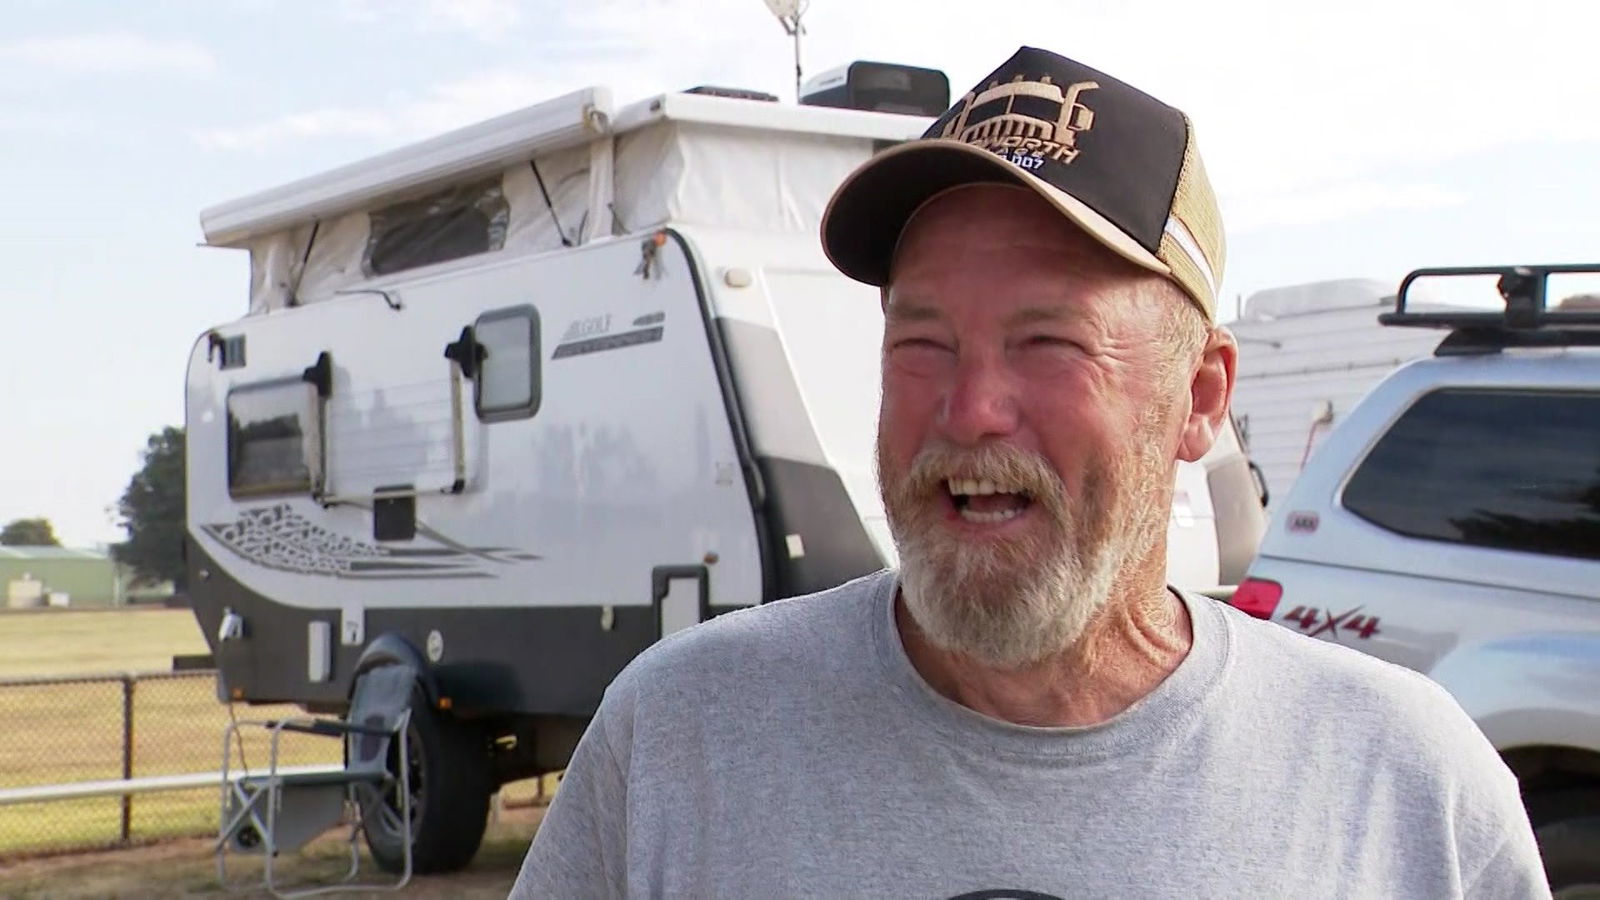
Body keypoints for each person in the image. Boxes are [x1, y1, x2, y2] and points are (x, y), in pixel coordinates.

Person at [510, 46, 1548, 899]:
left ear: (1199, 398)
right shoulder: (682, 739)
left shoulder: (1407, 789)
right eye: (921, 343)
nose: (967, 412)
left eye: (1048, 342)